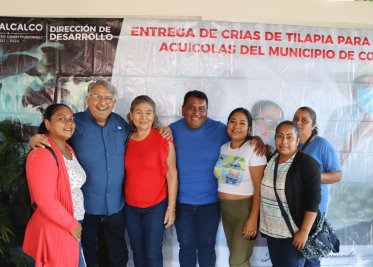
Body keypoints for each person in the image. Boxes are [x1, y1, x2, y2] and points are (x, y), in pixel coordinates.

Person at [30, 80, 130, 267]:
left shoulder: (120, 124)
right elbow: (53, 138)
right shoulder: (74, 123)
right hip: (85, 210)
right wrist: (35, 138)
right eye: (97, 97)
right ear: (87, 100)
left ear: (114, 103)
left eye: (108, 98)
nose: (103, 102)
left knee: (118, 258)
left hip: (116, 207)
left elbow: (142, 135)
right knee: (88, 258)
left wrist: (162, 129)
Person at [170, 90, 265, 267]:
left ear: (207, 110)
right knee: (186, 247)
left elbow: (240, 136)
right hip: (182, 202)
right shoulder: (171, 131)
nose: (196, 112)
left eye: (202, 108)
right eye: (191, 108)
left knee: (207, 247)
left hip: (211, 204)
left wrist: (257, 139)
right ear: (183, 109)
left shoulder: (220, 129)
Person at [23, 103, 86, 267]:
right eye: (62, 118)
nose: (69, 123)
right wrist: (71, 225)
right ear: (48, 124)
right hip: (58, 226)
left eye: (71, 119)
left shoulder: (68, 148)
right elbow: (43, 200)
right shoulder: (42, 152)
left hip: (72, 222)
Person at [124, 95, 178, 267]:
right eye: (138, 112)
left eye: (148, 113)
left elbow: (172, 174)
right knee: (137, 252)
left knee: (153, 252)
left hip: (155, 207)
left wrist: (171, 208)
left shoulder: (164, 139)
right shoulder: (125, 140)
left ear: (154, 116)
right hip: (130, 208)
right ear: (131, 115)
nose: (143, 117)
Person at [259, 120, 321, 267]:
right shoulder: (271, 159)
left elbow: (314, 200)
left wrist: (304, 232)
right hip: (272, 231)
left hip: (293, 234)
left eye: (289, 137)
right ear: (275, 138)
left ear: (298, 140)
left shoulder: (306, 163)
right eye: (280, 136)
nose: (284, 141)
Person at [213, 107, 266, 267]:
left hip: (245, 210)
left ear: (249, 128)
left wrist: (253, 219)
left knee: (237, 261)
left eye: (242, 123)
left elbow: (259, 187)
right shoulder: (224, 148)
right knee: (238, 259)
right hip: (226, 210)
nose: (236, 126)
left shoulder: (254, 149)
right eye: (232, 122)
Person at [293, 106, 342, 267]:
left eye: (304, 120)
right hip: (293, 207)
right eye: (296, 119)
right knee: (297, 251)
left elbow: (337, 175)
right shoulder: (290, 142)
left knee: (310, 253)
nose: (299, 123)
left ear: (313, 125)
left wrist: (313, 176)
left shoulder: (322, 145)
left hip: (314, 208)